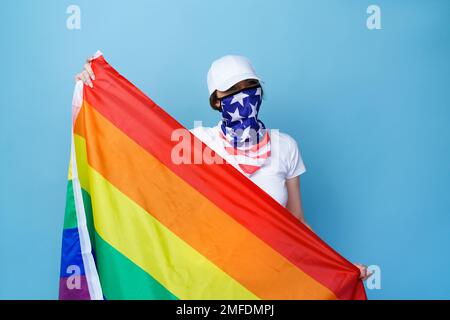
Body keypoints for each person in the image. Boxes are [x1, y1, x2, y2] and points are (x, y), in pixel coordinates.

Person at [75, 54, 371, 281]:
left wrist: (339, 267)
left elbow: (298, 223)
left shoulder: (285, 147)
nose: (244, 96)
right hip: (213, 279)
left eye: (250, 87)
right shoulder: (196, 144)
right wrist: (98, 93)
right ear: (217, 101)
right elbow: (139, 153)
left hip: (272, 278)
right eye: (232, 90)